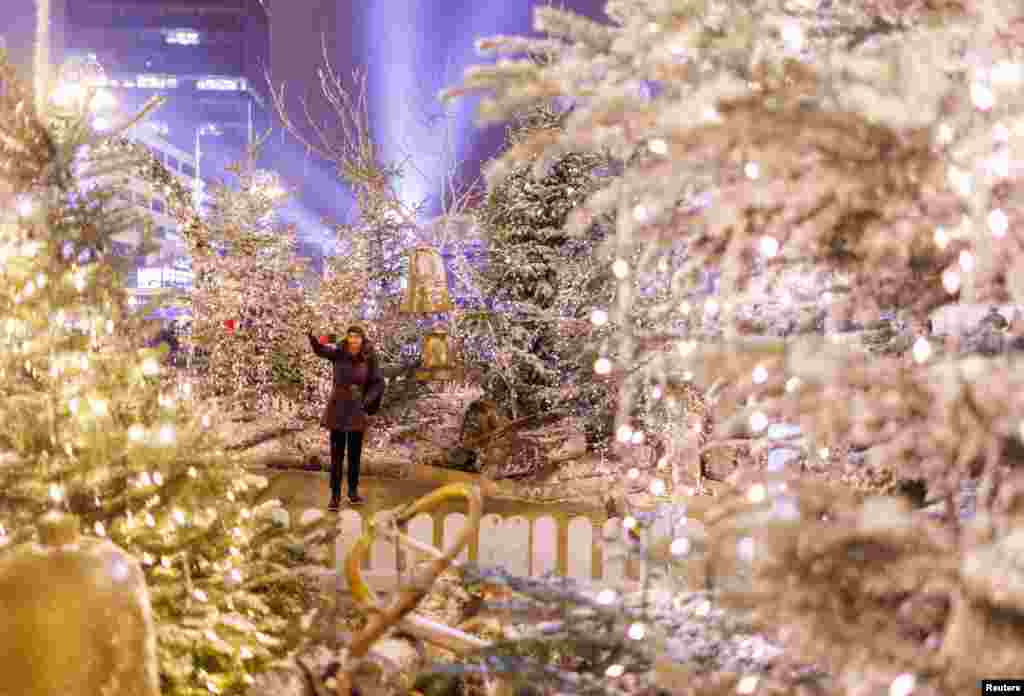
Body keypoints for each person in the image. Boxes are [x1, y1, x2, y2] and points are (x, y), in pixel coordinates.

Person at [308, 325, 385, 510]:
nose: (353, 340)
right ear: (347, 338)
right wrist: (312, 338)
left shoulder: (369, 356)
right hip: (338, 408)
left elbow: (378, 382)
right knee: (336, 454)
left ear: (362, 339)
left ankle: (352, 492)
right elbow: (320, 350)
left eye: (357, 337)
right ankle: (335, 495)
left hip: (357, 409)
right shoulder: (338, 352)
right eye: (350, 336)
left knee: (354, 454)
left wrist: (367, 402)